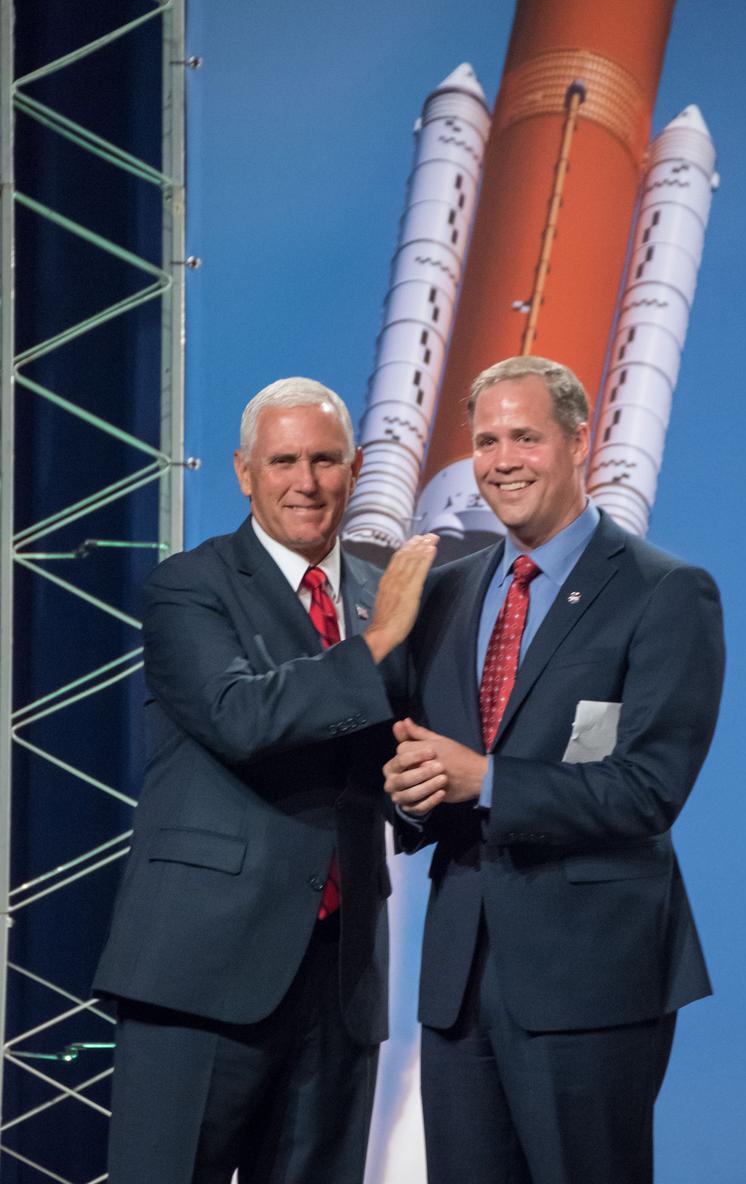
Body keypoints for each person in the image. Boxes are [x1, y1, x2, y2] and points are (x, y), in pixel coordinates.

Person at [384, 356, 725, 1184]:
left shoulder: (664, 592)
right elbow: (419, 766)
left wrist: (485, 779)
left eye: (525, 438)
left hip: (591, 976)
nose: (502, 461)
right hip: (460, 979)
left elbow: (647, 791)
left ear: (579, 441)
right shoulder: (442, 595)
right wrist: (411, 795)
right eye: (486, 441)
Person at [94, 376, 437, 1184]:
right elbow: (239, 717)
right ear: (244, 473)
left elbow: (405, 750)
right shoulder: (191, 586)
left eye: (324, 460)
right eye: (283, 461)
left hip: (340, 980)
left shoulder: (382, 595)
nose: (305, 482)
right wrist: (378, 641)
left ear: (354, 468)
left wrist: (423, 793)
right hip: (201, 968)